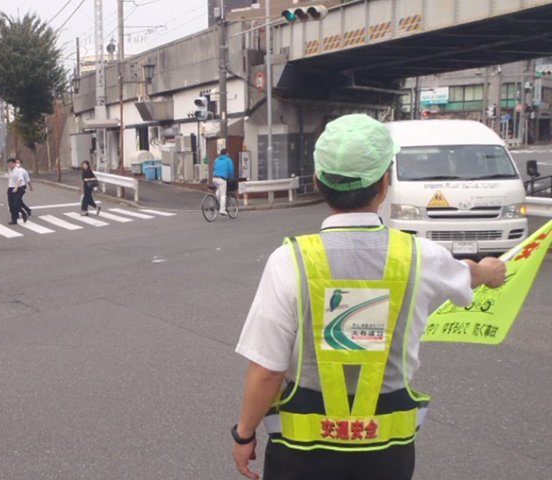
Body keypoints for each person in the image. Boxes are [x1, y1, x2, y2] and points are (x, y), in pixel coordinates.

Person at [231, 114, 507, 480]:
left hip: (301, 456)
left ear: (317, 182)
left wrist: (244, 434)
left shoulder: (290, 262)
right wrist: (490, 270)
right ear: (385, 184)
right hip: (386, 456)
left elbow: (267, 371)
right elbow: (471, 275)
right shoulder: (420, 256)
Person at [213, 148, 235, 216]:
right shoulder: (228, 160)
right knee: (223, 195)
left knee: (218, 191)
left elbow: (214, 168)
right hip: (222, 179)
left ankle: (216, 202)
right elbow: (231, 170)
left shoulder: (216, 160)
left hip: (214, 178)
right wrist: (231, 178)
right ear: (226, 153)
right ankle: (222, 210)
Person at [6, 158, 24, 225]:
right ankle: (14, 219)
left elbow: (20, 180)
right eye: (9, 163)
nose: (9, 165)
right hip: (10, 188)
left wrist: (16, 188)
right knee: (11, 206)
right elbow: (10, 180)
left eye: (11, 163)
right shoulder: (10, 170)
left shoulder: (18, 171)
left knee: (16, 204)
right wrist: (8, 188)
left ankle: (19, 215)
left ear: (14, 163)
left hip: (18, 188)